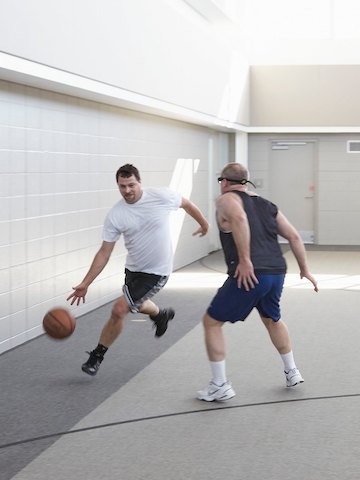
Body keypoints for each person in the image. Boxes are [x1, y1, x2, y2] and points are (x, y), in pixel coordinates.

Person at [67, 163, 209, 376]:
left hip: (157, 271)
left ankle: (97, 356)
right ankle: (160, 315)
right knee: (137, 303)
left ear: (139, 182)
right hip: (133, 269)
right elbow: (104, 252)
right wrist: (86, 283)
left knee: (119, 309)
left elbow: (186, 204)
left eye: (131, 185)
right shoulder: (116, 214)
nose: (127, 191)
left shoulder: (161, 196)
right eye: (122, 186)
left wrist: (204, 224)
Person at [197, 162, 318, 402]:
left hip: (252, 272)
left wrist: (245, 260)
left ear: (224, 182)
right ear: (246, 181)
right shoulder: (266, 204)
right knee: (272, 319)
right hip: (276, 271)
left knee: (211, 322)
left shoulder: (226, 200)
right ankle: (292, 371)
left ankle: (220, 385)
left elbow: (240, 219)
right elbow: (293, 235)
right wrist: (304, 269)